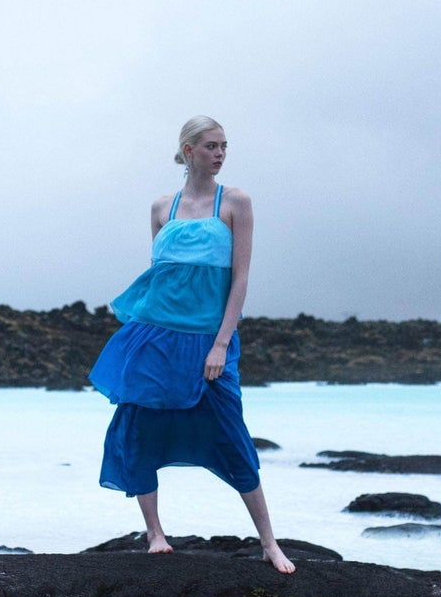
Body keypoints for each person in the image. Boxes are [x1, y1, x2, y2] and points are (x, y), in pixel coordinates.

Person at [90, 115, 295, 573]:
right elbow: (163, 276)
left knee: (232, 436)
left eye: (224, 145)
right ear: (188, 151)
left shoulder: (235, 202)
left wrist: (221, 344)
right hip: (155, 338)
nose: (220, 153)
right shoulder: (161, 208)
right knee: (138, 430)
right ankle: (155, 535)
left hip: (208, 340)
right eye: (210, 146)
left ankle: (268, 542)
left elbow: (240, 278)